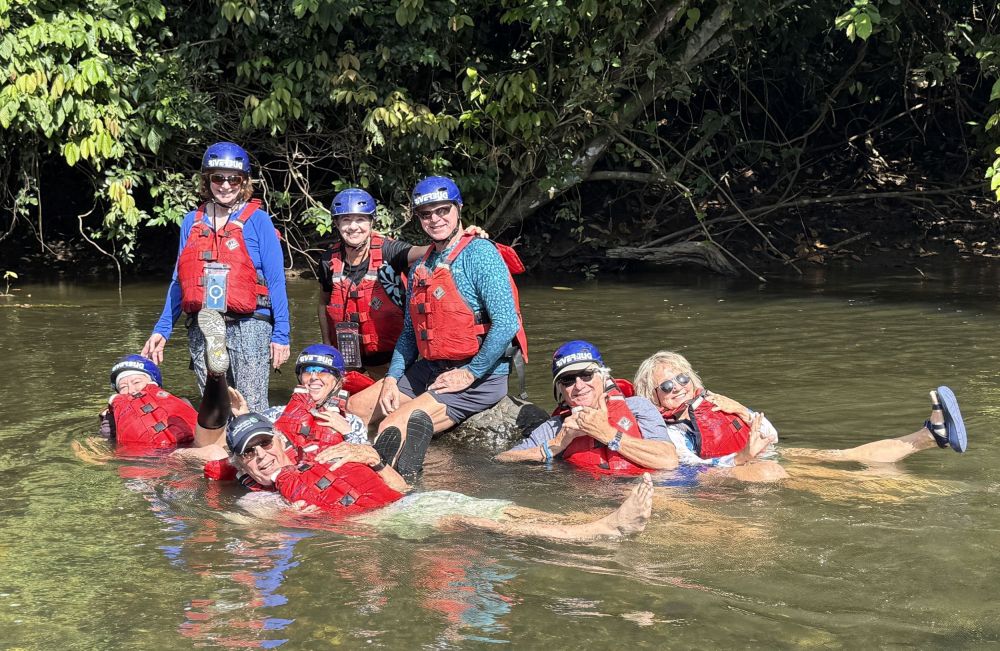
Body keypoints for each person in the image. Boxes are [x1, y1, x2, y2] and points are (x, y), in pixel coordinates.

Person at [226, 413, 655, 541]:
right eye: (249, 454)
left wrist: (374, 460)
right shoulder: (256, 501)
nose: (261, 456)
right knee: (471, 519)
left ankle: (585, 527)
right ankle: (596, 532)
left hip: (400, 504)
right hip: (373, 524)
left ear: (281, 441)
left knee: (490, 506)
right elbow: (280, 531)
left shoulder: (330, 455)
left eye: (265, 444)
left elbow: (400, 488)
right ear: (242, 465)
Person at [348, 176, 528, 441]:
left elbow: (506, 322)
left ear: (459, 209)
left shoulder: (480, 253)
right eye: (426, 214)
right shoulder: (423, 264)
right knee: (355, 409)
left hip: (482, 376)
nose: (435, 219)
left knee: (393, 428)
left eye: (443, 210)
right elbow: (409, 333)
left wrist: (470, 373)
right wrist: (391, 378)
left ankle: (398, 480)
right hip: (432, 368)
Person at [632, 350, 968, 479]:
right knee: (825, 475)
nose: (677, 387)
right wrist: (741, 457)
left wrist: (744, 412)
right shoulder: (667, 431)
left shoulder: (714, 403)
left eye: (682, 378)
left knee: (843, 454)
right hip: (730, 475)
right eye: (666, 386)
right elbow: (687, 469)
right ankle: (918, 489)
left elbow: (771, 434)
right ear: (653, 396)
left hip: (764, 454)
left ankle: (931, 435)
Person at [141, 142, 290, 413]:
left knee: (251, 407)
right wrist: (162, 329)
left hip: (250, 326)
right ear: (207, 180)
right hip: (204, 326)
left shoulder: (259, 220)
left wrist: (281, 334)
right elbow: (179, 280)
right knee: (215, 409)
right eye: (218, 178)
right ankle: (220, 454)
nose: (225, 185)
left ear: (243, 181)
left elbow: (277, 281)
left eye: (233, 179)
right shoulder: (192, 221)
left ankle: (260, 452)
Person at [318, 188, 490, 382]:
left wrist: (462, 238)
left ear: (371, 222)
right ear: (336, 224)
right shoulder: (328, 261)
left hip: (388, 358)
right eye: (346, 220)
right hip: (347, 355)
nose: (353, 227)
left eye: (360, 220)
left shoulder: (389, 251)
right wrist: (327, 344)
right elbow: (324, 303)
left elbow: (429, 250)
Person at [496, 341, 678, 474]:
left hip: (648, 493)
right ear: (560, 389)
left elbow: (668, 460)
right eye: (568, 380)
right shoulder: (557, 427)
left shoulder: (637, 407)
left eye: (586, 375)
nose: (579, 385)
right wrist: (558, 444)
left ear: (604, 377)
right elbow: (502, 460)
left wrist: (607, 434)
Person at [94, 310, 244, 453]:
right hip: (171, 455)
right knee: (215, 450)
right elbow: (106, 441)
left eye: (136, 382)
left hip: (188, 448)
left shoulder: (180, 402)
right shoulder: (112, 417)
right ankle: (216, 375)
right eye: (123, 386)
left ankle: (215, 372)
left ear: (153, 383)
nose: (131, 389)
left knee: (212, 446)